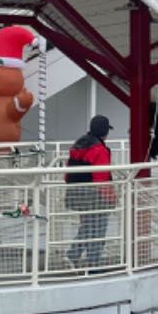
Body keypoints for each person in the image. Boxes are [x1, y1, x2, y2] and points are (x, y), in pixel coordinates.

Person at [64, 114, 114, 269]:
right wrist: (111, 199)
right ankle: (94, 264)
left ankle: (73, 255)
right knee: (98, 229)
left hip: (77, 194)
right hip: (94, 195)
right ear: (105, 132)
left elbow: (68, 174)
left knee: (88, 227)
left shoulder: (78, 145)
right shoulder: (100, 149)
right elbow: (102, 179)